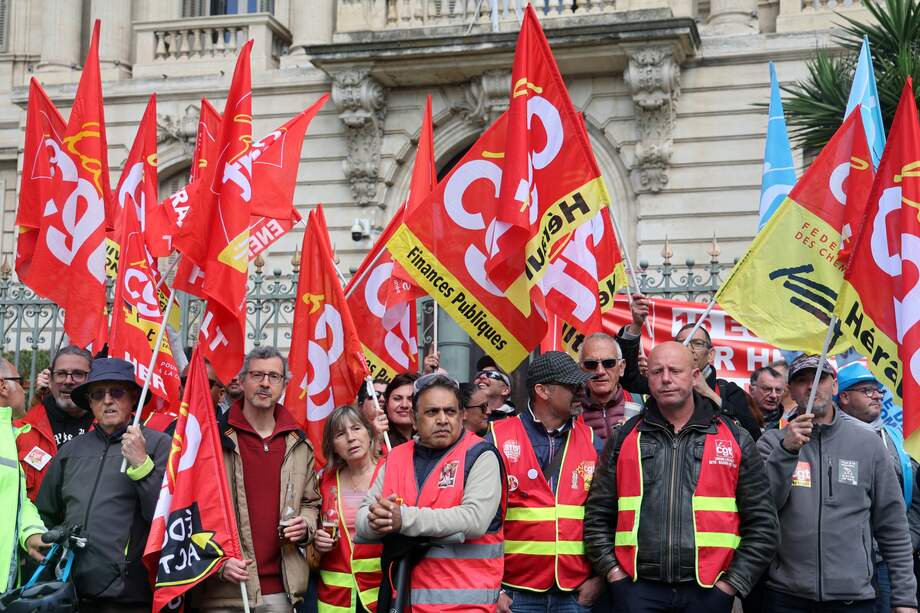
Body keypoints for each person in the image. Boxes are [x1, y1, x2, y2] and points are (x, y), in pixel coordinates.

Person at [584, 342, 777, 613]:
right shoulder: (625, 437)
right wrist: (614, 575)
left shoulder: (735, 439)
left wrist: (730, 585)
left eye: (675, 370)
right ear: (647, 377)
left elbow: (763, 525)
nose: (665, 379)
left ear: (696, 376)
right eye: (657, 371)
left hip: (709, 593)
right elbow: (596, 516)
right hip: (638, 592)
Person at [757, 354, 918, 613]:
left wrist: (905, 599)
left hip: (854, 598)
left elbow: (893, 527)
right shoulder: (770, 443)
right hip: (786, 596)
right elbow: (762, 511)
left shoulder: (868, 445)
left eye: (821, 378)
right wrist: (786, 451)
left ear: (834, 387)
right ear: (791, 391)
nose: (811, 386)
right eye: (802, 380)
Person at [357, 373, 504, 611]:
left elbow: (474, 519)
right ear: (414, 420)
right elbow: (363, 520)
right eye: (432, 412)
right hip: (403, 602)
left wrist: (402, 520)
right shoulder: (395, 457)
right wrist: (380, 520)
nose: (443, 419)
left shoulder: (481, 455)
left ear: (463, 415)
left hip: (465, 606)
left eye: (450, 411)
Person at [36, 357, 170, 611]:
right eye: (98, 394)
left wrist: (142, 464)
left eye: (116, 392)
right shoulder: (71, 450)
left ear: (133, 398)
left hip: (131, 597)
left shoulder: (158, 445)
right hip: (71, 592)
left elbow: (165, 518)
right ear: (89, 402)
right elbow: (45, 512)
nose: (107, 400)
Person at [194, 346, 321, 612]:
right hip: (223, 590)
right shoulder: (214, 439)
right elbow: (195, 509)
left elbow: (311, 502)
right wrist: (217, 561)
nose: (265, 383)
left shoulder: (298, 443)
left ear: (284, 385)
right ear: (241, 381)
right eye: (257, 375)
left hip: (280, 592)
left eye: (274, 377)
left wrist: (305, 525)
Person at [489, 351, 605, 613]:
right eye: (571, 385)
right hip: (513, 594)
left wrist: (599, 580)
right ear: (542, 390)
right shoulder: (496, 438)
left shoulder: (592, 441)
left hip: (574, 594)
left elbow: (608, 515)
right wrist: (493, 589)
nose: (581, 391)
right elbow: (483, 524)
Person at [835, 361, 920, 613]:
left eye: (878, 391)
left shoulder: (895, 439)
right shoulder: (826, 439)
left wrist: (909, 539)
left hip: (887, 559)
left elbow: (915, 497)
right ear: (845, 397)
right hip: (842, 562)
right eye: (867, 390)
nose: (876, 396)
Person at [618, 294, 760, 440]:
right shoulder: (663, 384)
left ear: (710, 354)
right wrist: (636, 326)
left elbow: (753, 434)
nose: (689, 349)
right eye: (683, 343)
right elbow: (627, 378)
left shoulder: (727, 391)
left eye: (697, 343)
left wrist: (709, 393)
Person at [313, 405, 384, 613]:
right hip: (336, 598)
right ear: (333, 445)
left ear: (369, 433)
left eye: (356, 428)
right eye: (341, 434)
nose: (351, 438)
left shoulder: (391, 472)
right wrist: (317, 541)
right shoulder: (323, 482)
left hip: (382, 592)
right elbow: (311, 530)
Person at [14, 345, 94, 501]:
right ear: (49, 380)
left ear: (92, 380)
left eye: (78, 374)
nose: (69, 381)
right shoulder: (23, 429)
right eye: (61, 374)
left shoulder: (109, 427)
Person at [2, 357, 48, 593]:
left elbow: (16, 500)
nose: (24, 387)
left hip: (7, 581)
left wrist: (31, 533)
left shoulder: (11, 435)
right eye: (20, 381)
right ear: (3, 386)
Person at [577, 332, 632, 442]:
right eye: (591, 364)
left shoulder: (644, 405)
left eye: (608, 363)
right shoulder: (569, 414)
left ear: (621, 368)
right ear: (581, 369)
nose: (600, 371)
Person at [383, 373, 418, 448]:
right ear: (386, 403)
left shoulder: (430, 441)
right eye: (397, 398)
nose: (404, 405)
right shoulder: (375, 442)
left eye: (411, 399)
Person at [748, 366, 786, 431]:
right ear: (752, 390)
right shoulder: (737, 420)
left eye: (778, 390)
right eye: (767, 389)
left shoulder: (787, 425)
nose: (773, 395)